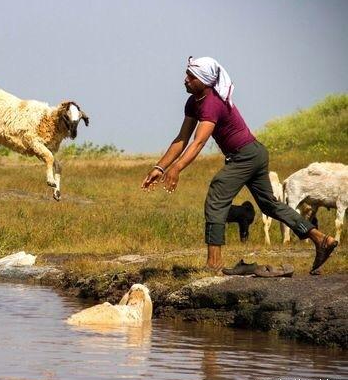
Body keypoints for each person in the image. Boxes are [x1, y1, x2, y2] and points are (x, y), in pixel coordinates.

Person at [141, 56, 338, 275]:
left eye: (191, 76)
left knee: (217, 194)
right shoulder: (194, 102)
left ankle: (214, 263)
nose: (185, 79)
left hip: (246, 155)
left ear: (204, 81)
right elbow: (182, 139)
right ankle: (321, 239)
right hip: (253, 153)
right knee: (269, 205)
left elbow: (199, 142)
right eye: (186, 74)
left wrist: (177, 168)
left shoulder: (212, 103)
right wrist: (159, 168)